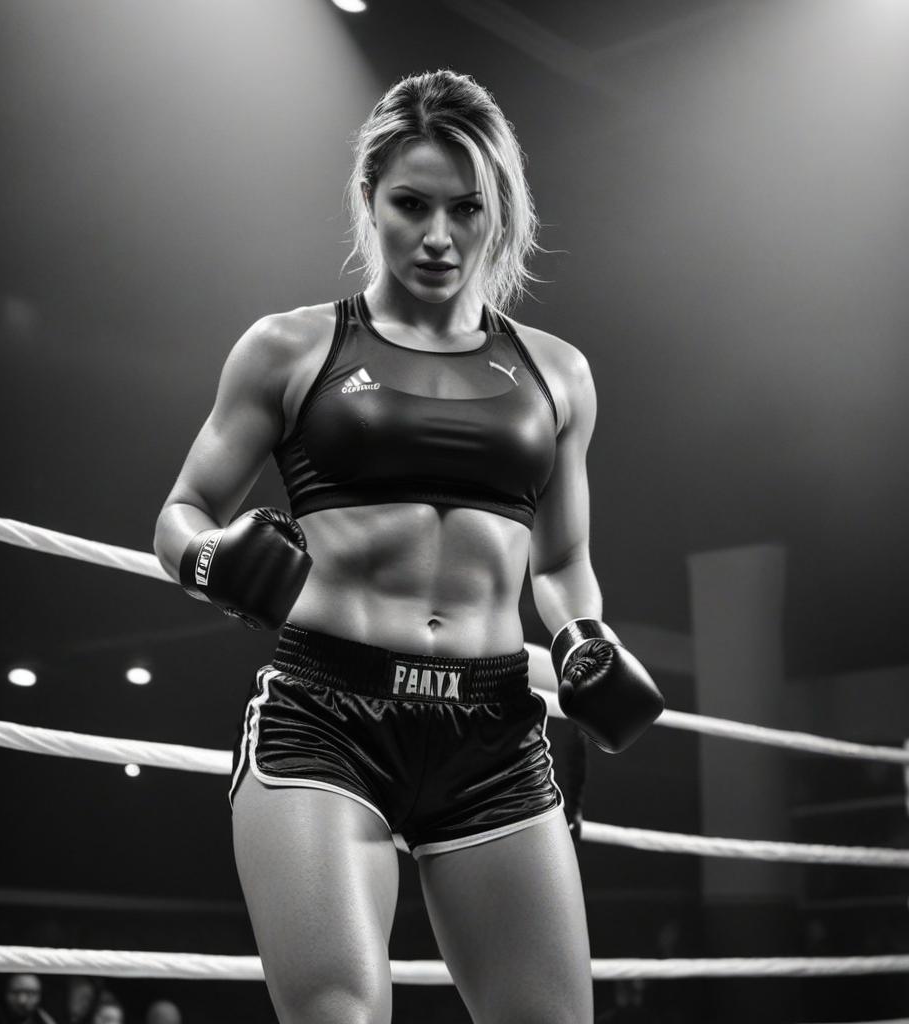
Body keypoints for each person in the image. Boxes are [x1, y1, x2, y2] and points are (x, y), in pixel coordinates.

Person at [154, 69, 663, 1024]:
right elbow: (178, 513)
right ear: (369, 201)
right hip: (326, 720)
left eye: (466, 208)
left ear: (497, 212)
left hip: (496, 730)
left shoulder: (558, 373)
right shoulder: (289, 348)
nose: (439, 236)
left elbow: (557, 564)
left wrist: (583, 639)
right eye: (412, 205)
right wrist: (214, 560)